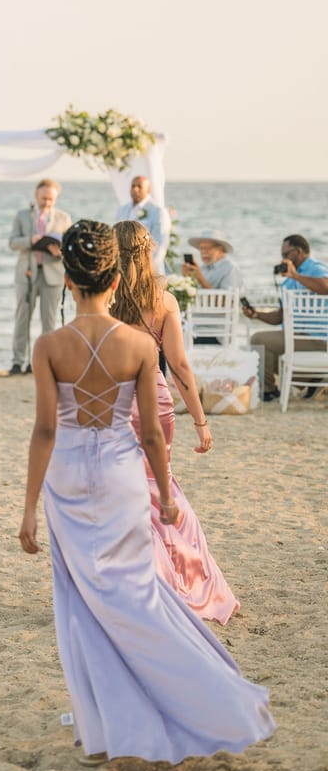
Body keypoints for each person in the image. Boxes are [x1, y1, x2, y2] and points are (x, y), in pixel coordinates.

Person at [18, 220, 274, 766]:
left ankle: (105, 723)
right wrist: (165, 494)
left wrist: (28, 510)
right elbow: (153, 433)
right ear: (112, 280)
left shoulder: (48, 346)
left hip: (66, 479)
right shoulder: (137, 343)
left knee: (81, 603)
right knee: (136, 592)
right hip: (122, 473)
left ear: (68, 279)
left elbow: (44, 430)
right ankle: (180, 697)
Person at [113, 220, 238, 623]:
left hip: (115, 405)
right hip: (156, 401)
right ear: (149, 250)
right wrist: (200, 420)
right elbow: (180, 364)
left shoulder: (104, 299)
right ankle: (176, 578)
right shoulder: (164, 300)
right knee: (158, 486)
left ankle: (131, 586)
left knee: (123, 494)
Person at [244, 234, 328, 401]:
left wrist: (295, 275)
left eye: (285, 254)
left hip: (317, 338)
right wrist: (257, 314)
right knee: (263, 347)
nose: (282, 259)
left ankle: (270, 388)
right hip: (293, 337)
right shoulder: (287, 282)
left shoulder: (315, 268)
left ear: (298, 252)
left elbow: (326, 287)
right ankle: (308, 380)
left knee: (258, 339)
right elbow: (279, 317)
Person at [8, 179, 72, 375]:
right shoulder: (22, 216)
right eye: (44, 198)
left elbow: (70, 248)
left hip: (52, 274)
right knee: (22, 318)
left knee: (49, 321)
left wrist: (59, 251)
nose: (47, 202)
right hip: (26, 273)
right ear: (36, 196)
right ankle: (18, 361)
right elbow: (12, 242)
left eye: (51, 199)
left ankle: (44, 363)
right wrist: (31, 240)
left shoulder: (63, 218)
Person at [116, 176, 166, 274]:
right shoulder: (122, 210)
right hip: (124, 267)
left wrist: (148, 268)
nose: (135, 189)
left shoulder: (158, 211)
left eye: (139, 186)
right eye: (133, 186)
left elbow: (160, 244)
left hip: (148, 268)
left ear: (148, 189)